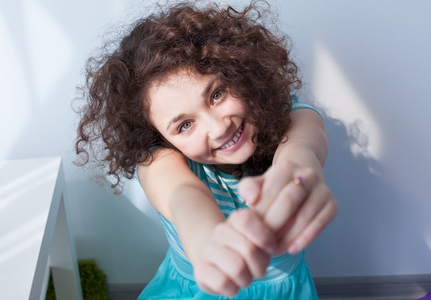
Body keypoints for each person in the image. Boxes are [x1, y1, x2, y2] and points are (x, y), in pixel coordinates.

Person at [75, 1, 337, 299]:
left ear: (241, 71)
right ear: (157, 135)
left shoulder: (292, 116)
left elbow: (303, 148)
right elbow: (183, 196)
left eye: (217, 94)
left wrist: (297, 177)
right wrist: (207, 240)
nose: (218, 128)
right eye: (184, 125)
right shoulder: (159, 160)